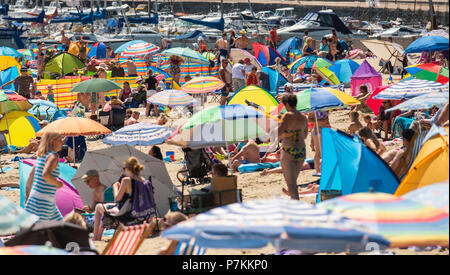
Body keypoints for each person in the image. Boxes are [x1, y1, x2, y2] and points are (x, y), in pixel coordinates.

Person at [92, 157, 146, 241]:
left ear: (128, 169)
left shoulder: (126, 180)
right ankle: (97, 237)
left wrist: (115, 186)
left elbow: (117, 198)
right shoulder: (143, 181)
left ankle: (96, 237)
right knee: (107, 209)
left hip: (124, 216)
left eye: (124, 169)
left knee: (99, 206)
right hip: (137, 215)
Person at [24, 131, 67, 222]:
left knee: (62, 228)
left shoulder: (41, 155)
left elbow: (31, 176)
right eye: (60, 140)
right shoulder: (53, 156)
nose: (62, 142)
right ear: (53, 141)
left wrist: (27, 196)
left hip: (36, 198)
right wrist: (58, 184)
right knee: (38, 233)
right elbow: (46, 174)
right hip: (44, 202)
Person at [278, 94, 308, 200]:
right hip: (301, 151)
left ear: (287, 104)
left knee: (291, 184)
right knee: (293, 182)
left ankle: (296, 207)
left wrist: (286, 134)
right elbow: (304, 136)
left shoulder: (287, 116)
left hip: (289, 151)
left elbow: (278, 133)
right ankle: (293, 202)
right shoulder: (304, 117)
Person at [308, 111, 330, 175]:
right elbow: (309, 120)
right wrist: (320, 121)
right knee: (318, 151)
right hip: (318, 130)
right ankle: (317, 171)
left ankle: (324, 168)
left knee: (326, 151)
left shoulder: (326, 108)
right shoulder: (314, 110)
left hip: (326, 130)